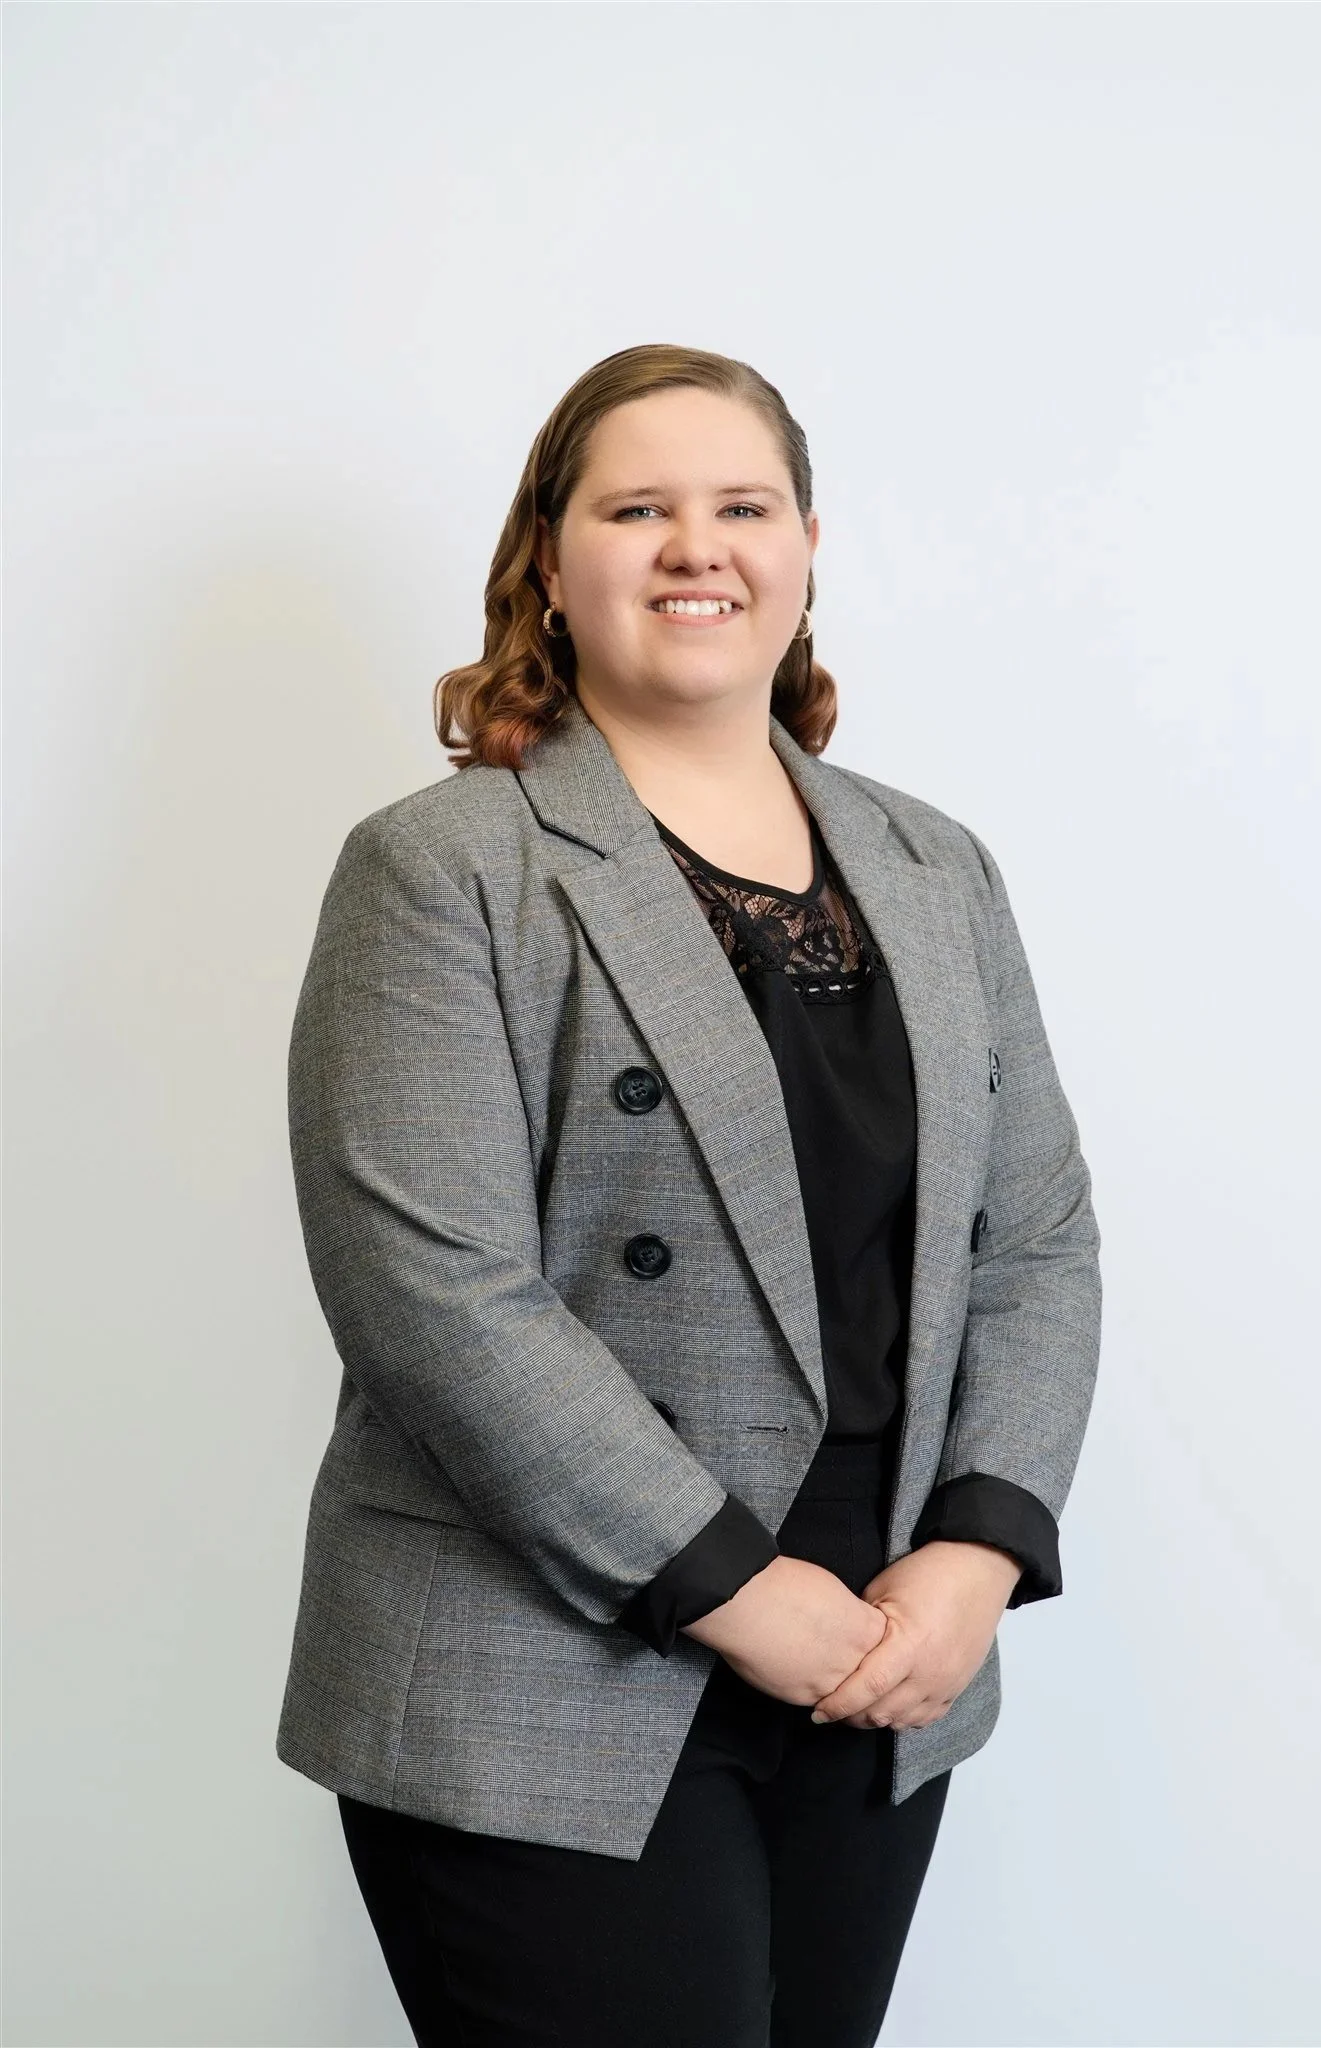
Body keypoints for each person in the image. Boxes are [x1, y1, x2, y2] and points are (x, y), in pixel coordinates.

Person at [276, 342, 1103, 2047]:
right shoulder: (443, 868)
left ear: (806, 549)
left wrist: (977, 1548)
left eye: (743, 506)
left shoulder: (935, 865)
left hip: (883, 1647)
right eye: (635, 509)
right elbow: (433, 1291)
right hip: (548, 1661)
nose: (695, 548)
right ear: (549, 560)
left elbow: (1034, 1236)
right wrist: (735, 1587)